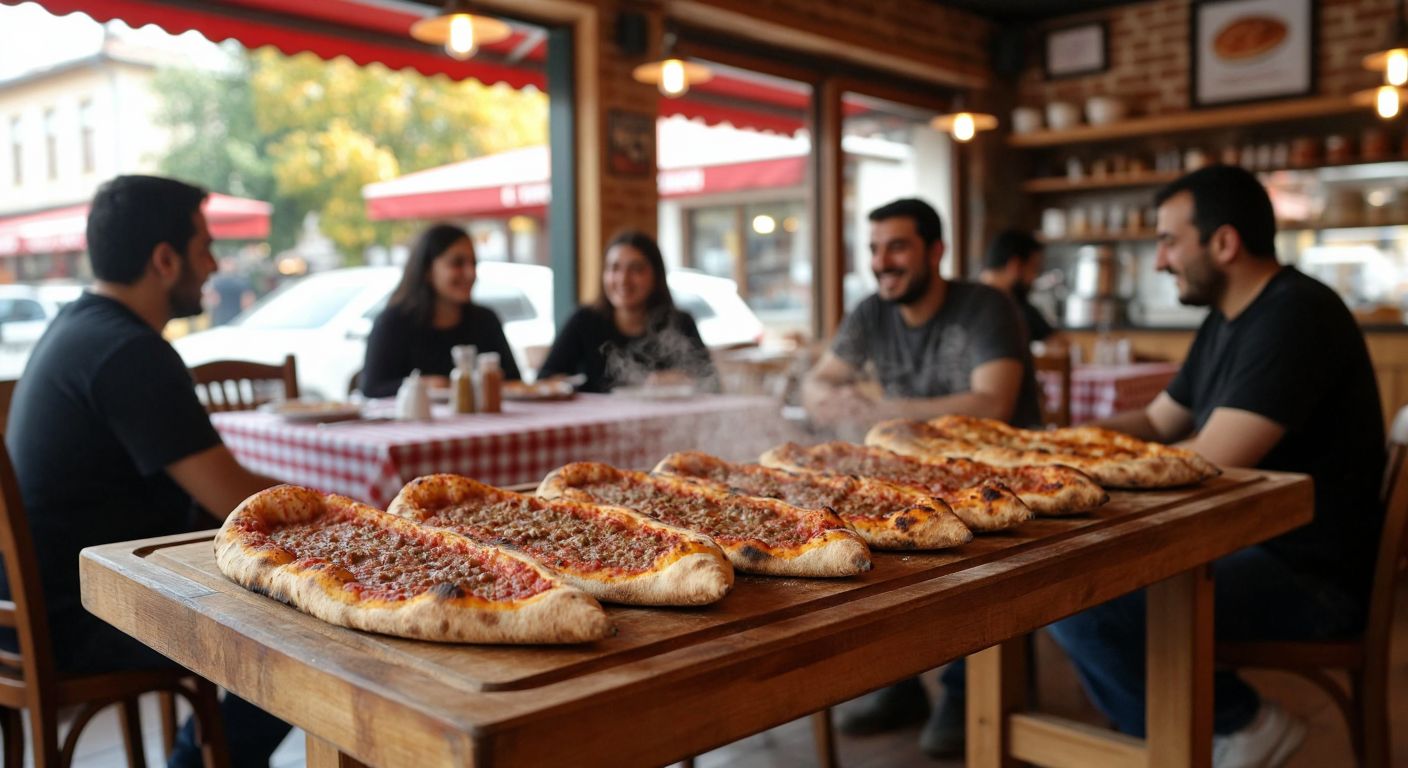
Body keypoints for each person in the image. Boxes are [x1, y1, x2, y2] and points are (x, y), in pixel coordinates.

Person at [1048, 165, 1385, 767]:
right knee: (1075, 586)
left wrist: (1071, 468)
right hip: (1248, 548)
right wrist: (1057, 444)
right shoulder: (1228, 319)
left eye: (1169, 241)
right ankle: (1187, 735)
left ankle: (1234, 727)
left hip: (1310, 578)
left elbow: (1205, 463)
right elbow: (1157, 423)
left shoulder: (1295, 315)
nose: (1158, 261)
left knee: (1075, 595)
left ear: (1223, 243)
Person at [4, 175, 293, 767]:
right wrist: (343, 510)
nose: (214, 265)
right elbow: (233, 500)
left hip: (37, 607)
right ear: (164, 260)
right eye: (205, 248)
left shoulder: (80, 327)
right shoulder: (129, 353)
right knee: (299, 632)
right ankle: (198, 760)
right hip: (83, 613)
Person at [802, 198, 1041, 757]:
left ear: (937, 251)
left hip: (1003, 478)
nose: (882, 261)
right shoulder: (870, 312)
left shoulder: (986, 306)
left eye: (898, 246)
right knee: (851, 533)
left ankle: (966, 691)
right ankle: (899, 679)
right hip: (912, 476)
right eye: (875, 248)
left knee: (964, 549)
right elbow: (817, 387)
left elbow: (994, 403)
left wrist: (886, 408)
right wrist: (845, 403)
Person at [538, 230, 716, 393]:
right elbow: (544, 380)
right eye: (614, 268)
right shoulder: (585, 321)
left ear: (656, 275)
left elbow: (713, 385)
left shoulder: (678, 323)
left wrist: (685, 380)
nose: (623, 279)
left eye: (636, 269)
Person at [360, 224, 521, 398]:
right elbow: (372, 389)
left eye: (473, 263)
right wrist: (422, 385)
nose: (470, 273)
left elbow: (514, 382)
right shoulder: (393, 323)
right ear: (427, 270)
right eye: (457, 263)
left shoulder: (485, 320)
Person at [979, 228, 1063, 345]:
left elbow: (1057, 342)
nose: (1034, 277)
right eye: (1034, 268)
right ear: (1015, 266)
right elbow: (1059, 346)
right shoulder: (1011, 308)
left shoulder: (1018, 304)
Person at [205, 255, 255, 326]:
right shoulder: (243, 281)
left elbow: (213, 301)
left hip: (222, 320)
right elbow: (248, 303)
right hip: (239, 320)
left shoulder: (215, 282)